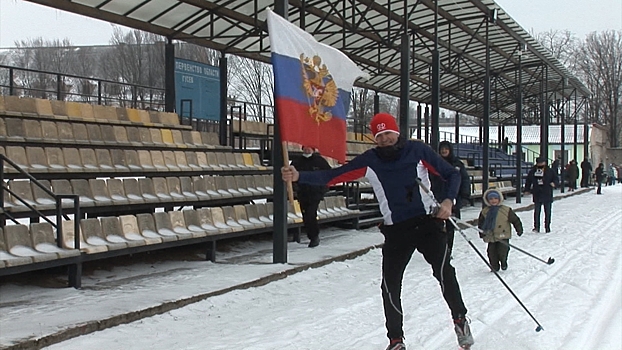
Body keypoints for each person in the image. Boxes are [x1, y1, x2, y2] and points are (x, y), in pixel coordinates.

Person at [281, 113, 474, 350]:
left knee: (444, 272)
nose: (385, 139)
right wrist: (300, 176)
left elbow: (452, 173)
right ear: (375, 138)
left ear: (397, 132)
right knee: (390, 285)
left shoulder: (417, 151)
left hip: (427, 223)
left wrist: (448, 201)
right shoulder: (370, 160)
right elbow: (333, 176)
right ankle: (396, 340)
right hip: (396, 229)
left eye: (388, 133)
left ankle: (460, 321)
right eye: (379, 135)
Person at [430, 140, 471, 257]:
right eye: (442, 149)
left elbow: (465, 181)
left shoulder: (457, 164)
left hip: (453, 200)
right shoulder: (435, 163)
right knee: (436, 227)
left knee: (450, 228)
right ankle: (439, 250)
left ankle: (448, 251)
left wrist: (464, 197)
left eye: (446, 149)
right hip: (437, 199)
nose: (444, 151)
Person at [290, 145, 332, 247]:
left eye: (310, 148)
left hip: (315, 193)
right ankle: (312, 235)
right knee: (305, 215)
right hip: (302, 193)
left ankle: (314, 237)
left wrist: (323, 190)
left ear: (313, 149)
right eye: (305, 148)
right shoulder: (297, 161)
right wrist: (295, 188)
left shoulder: (320, 161)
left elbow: (329, 175)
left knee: (311, 214)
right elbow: (291, 175)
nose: (307, 150)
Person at [477, 189, 523, 271]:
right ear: (487, 200)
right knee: (491, 252)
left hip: (503, 235)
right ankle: (494, 266)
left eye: (495, 198)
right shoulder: (485, 211)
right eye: (491, 199)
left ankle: (503, 261)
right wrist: (482, 233)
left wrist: (519, 229)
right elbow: (481, 223)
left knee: (502, 251)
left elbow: (515, 220)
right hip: (491, 236)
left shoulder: (506, 210)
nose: (493, 201)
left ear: (499, 199)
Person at [524, 157, 559, 233]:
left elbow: (556, 179)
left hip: (547, 192)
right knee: (537, 211)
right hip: (537, 192)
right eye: (539, 163)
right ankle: (536, 227)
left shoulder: (550, 171)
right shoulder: (533, 171)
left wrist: (554, 183)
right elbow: (528, 181)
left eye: (542, 163)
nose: (540, 164)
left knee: (548, 211)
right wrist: (527, 189)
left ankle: (547, 227)